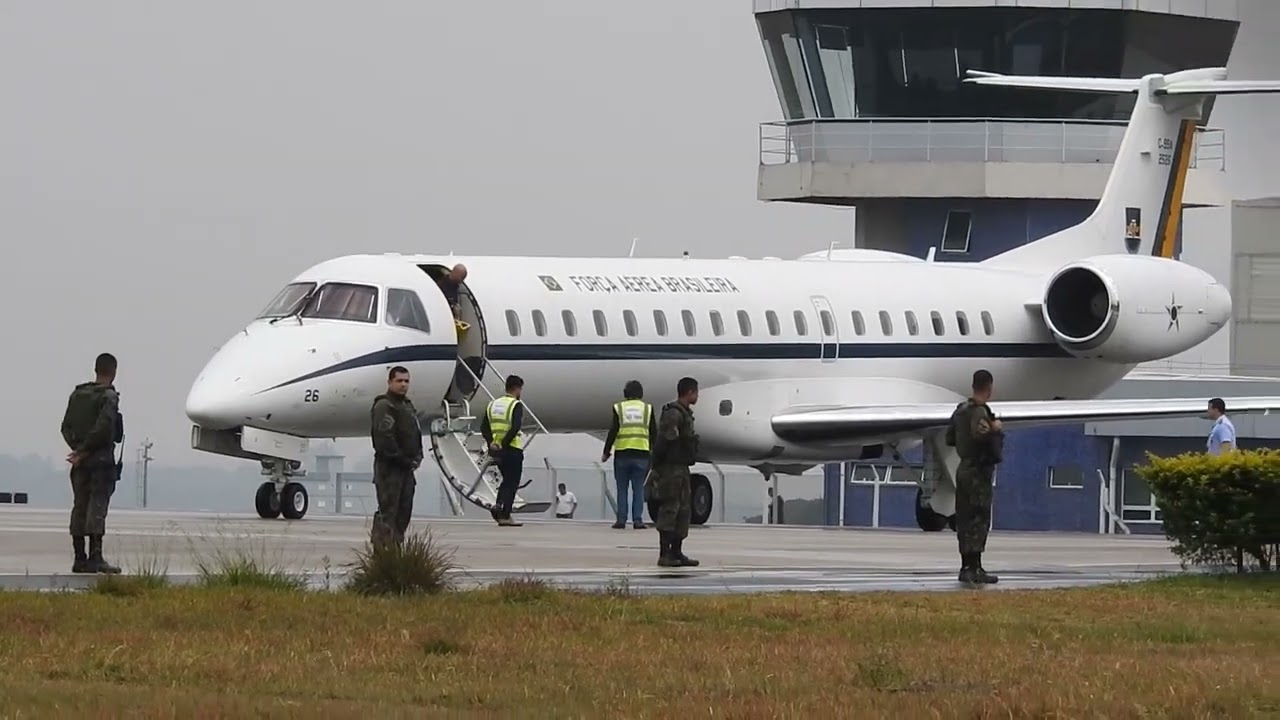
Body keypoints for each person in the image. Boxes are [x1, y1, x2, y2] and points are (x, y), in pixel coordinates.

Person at [60, 352, 124, 574]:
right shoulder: (109, 397)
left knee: (79, 506)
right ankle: (95, 557)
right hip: (101, 462)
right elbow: (104, 427)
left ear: (96, 370)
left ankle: (80, 558)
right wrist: (86, 450)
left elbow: (65, 427)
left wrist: (78, 450)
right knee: (97, 507)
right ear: (114, 372)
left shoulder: (78, 395)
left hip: (80, 463)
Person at [945, 368, 1003, 585]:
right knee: (978, 518)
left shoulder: (960, 411)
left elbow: (950, 438)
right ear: (989, 387)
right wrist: (995, 429)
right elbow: (981, 436)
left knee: (964, 518)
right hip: (978, 471)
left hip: (963, 469)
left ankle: (966, 566)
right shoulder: (980, 412)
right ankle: (975, 567)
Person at [647, 377, 701, 567]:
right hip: (670, 468)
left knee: (684, 510)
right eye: (696, 392)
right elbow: (664, 441)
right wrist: (656, 467)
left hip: (682, 468)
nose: (697, 396)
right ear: (689, 392)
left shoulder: (685, 414)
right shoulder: (673, 414)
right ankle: (664, 554)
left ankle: (676, 552)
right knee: (670, 508)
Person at [370, 366, 423, 548]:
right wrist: (402, 459)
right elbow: (383, 438)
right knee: (388, 511)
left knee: (404, 511)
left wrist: (417, 456)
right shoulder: (384, 406)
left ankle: (395, 548)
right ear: (390, 382)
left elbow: (414, 432)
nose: (403, 385)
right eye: (399, 381)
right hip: (389, 469)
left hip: (406, 469)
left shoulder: (407, 405)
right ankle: (382, 552)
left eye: (406, 381)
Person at [601, 379, 657, 529]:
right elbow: (654, 433)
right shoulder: (648, 409)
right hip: (642, 454)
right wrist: (655, 453)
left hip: (622, 454)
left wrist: (606, 451)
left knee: (622, 489)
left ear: (625, 393)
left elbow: (613, 431)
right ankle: (637, 520)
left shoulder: (619, 408)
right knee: (638, 489)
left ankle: (621, 520)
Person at [481, 375, 526, 527]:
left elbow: (484, 428)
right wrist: (503, 443)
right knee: (512, 482)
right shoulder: (516, 405)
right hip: (512, 449)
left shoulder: (492, 405)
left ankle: (499, 506)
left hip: (497, 451)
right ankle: (505, 514)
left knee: (505, 481)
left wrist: (491, 443)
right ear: (517, 389)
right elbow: (515, 427)